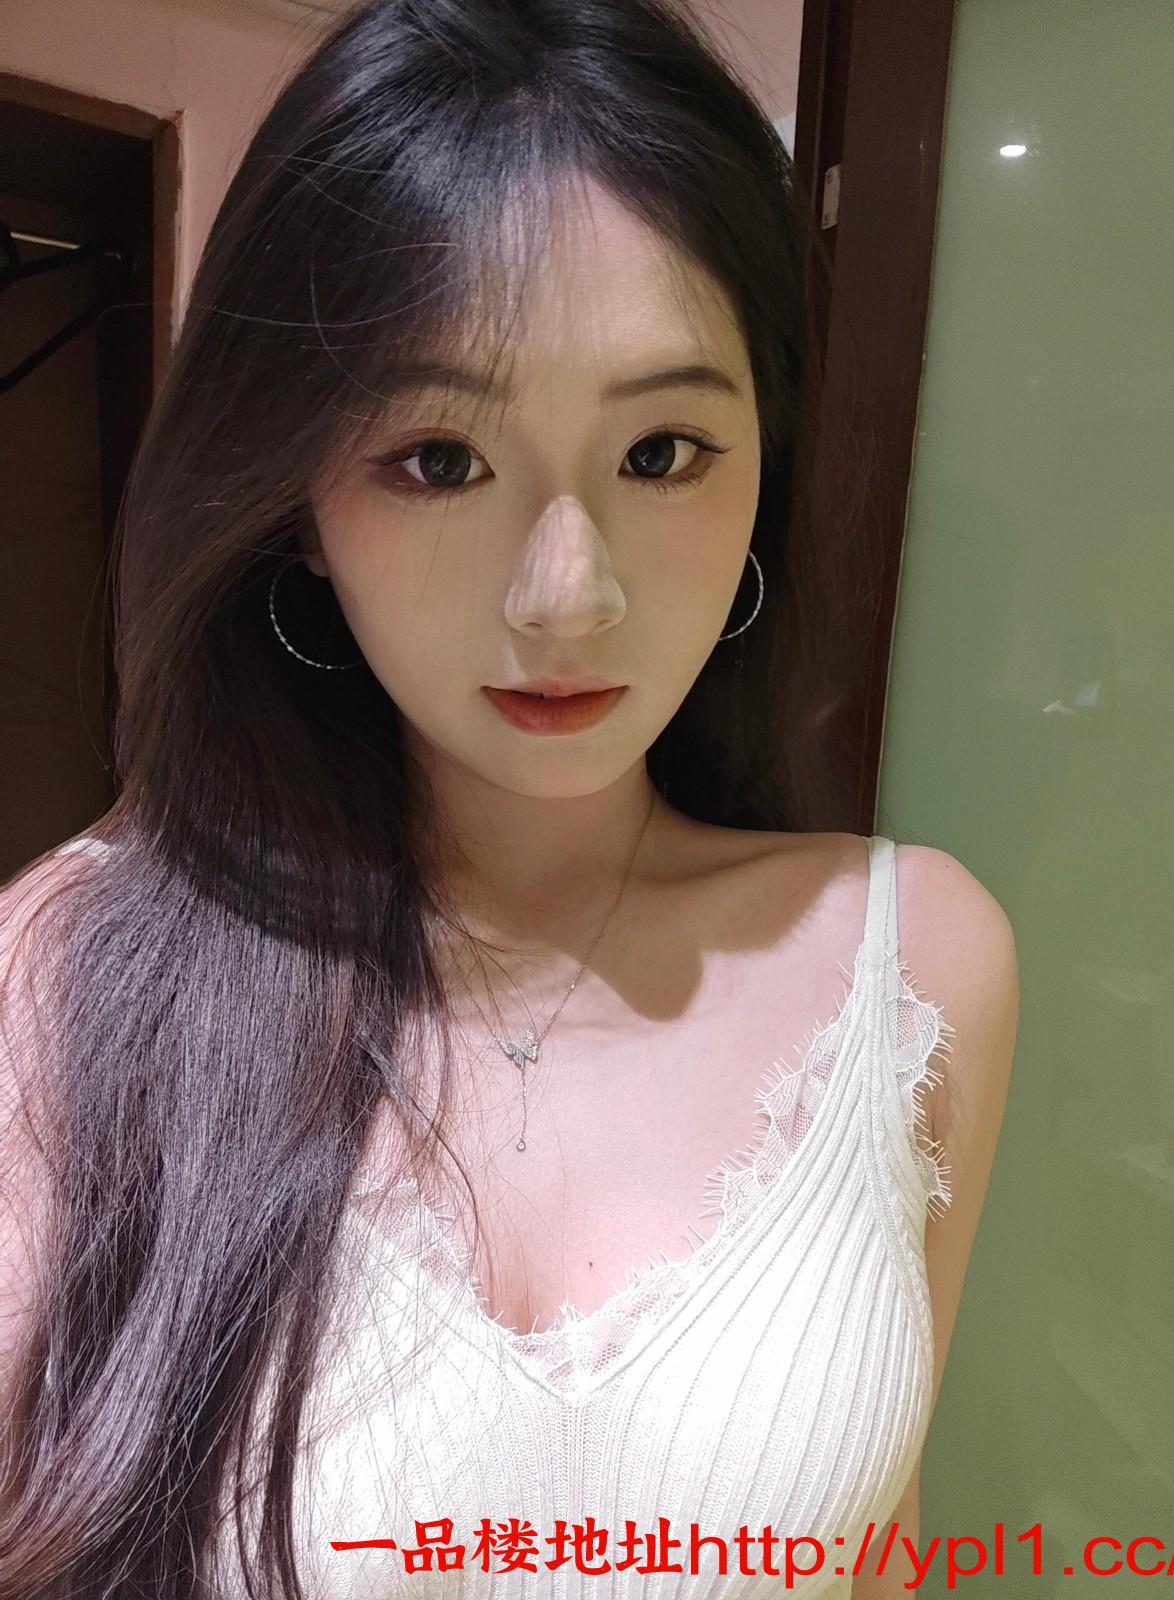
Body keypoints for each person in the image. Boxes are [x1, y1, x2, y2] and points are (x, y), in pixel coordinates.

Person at [0, 0, 1019, 1594]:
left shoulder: (913, 962)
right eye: (438, 458)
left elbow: (877, 1553)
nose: (567, 596)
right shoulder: (76, 969)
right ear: (295, 499)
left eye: (663, 452)